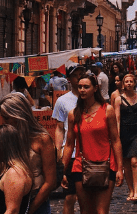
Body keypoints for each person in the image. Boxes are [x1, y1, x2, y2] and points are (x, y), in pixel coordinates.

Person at [0, 92, 58, 214]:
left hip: (36, 199)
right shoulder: (9, 136)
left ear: (19, 115)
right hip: (13, 197)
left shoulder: (42, 139)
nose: (3, 122)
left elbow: (50, 182)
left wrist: (30, 209)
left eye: (6, 118)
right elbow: (7, 171)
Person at [61, 74, 124, 214]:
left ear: (95, 88)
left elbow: (115, 140)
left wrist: (120, 168)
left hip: (106, 165)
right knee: (86, 211)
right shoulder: (74, 114)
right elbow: (69, 144)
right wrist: (63, 171)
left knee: (101, 211)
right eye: (80, 87)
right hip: (81, 166)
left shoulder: (107, 110)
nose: (82, 90)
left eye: (86, 87)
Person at [53, 65, 86, 214]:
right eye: (75, 75)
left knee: (87, 197)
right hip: (71, 153)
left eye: (81, 74)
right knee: (70, 197)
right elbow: (60, 128)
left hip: (90, 154)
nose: (79, 77)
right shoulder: (62, 101)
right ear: (69, 79)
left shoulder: (91, 98)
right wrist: (58, 151)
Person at [114, 73, 137, 202]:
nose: (128, 83)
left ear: (135, 83)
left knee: (135, 162)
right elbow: (117, 118)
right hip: (124, 133)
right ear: (123, 84)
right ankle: (131, 190)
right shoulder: (118, 99)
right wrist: (116, 135)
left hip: (136, 132)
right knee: (126, 163)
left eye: (131, 81)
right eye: (126, 81)